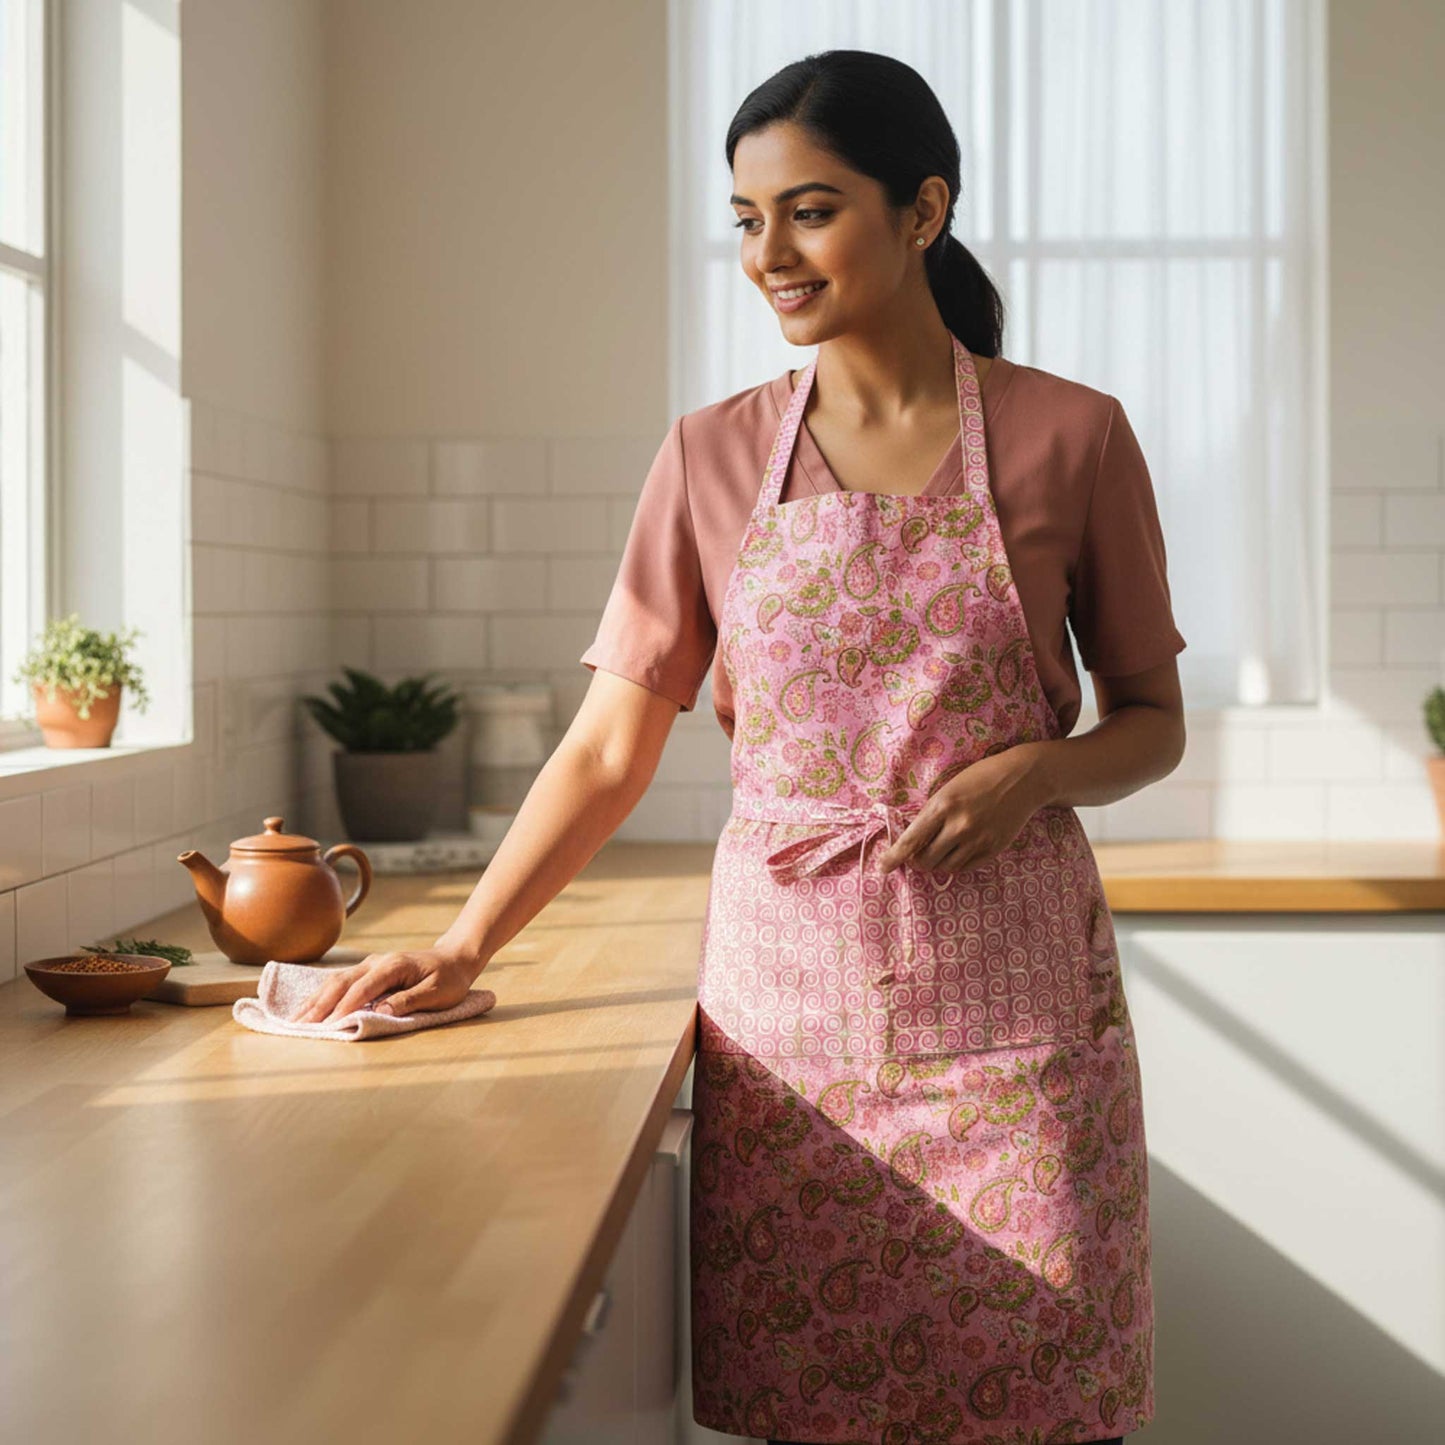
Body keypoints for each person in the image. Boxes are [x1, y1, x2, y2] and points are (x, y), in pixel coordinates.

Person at [290, 47, 1184, 1445]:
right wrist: (463, 948)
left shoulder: (1071, 437)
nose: (769, 252)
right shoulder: (709, 457)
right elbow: (605, 749)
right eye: (745, 217)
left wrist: (1039, 770)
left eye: (810, 209)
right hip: (791, 1032)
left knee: (1039, 1409)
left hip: (1015, 1035)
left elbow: (1149, 722)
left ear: (923, 210)